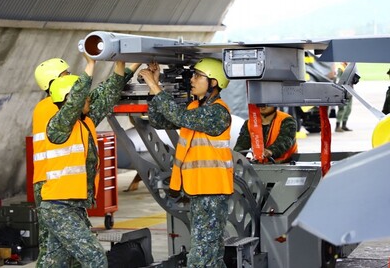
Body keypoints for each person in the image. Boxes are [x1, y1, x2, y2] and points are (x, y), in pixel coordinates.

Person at [38, 54, 140, 267]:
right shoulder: (52, 113)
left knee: (57, 261)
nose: (72, 79)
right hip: (54, 195)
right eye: (66, 76)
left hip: (69, 199)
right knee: (91, 257)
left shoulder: (82, 121)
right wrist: (90, 65)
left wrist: (125, 64)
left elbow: (103, 95)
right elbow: (77, 101)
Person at [138, 58, 233, 268]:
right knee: (211, 256)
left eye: (199, 76)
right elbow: (158, 120)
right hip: (199, 191)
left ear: (214, 82)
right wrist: (153, 88)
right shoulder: (194, 108)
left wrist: (156, 86)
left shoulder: (217, 112)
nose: (193, 79)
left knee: (200, 258)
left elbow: (178, 116)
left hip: (212, 193)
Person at [32, 58, 70, 267]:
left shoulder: (47, 106)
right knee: (49, 246)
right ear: (53, 82)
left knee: (59, 244)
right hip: (49, 184)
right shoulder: (50, 108)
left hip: (52, 181)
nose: (70, 77)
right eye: (65, 74)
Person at [233, 106, 298, 163]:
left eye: (266, 104)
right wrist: (235, 156)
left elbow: (285, 141)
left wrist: (271, 151)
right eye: (259, 104)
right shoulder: (250, 123)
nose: (262, 106)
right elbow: (242, 143)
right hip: (261, 164)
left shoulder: (287, 120)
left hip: (285, 164)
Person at [335, 62, 353, 132]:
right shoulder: (340, 67)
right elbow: (338, 81)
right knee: (342, 108)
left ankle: (344, 125)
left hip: (350, 90)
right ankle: (338, 126)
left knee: (348, 108)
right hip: (343, 91)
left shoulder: (349, 66)